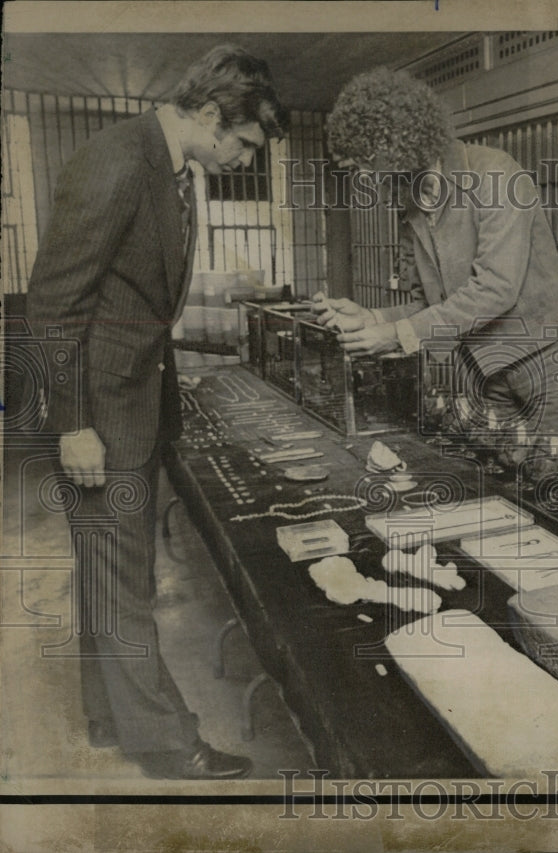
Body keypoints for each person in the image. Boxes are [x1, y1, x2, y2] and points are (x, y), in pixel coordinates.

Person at [26, 45, 288, 779]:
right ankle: (169, 741)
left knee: (108, 579)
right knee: (126, 582)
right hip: (100, 416)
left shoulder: (173, 164)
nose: (242, 159)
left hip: (130, 402)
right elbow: (53, 304)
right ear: (209, 114)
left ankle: (111, 716)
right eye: (241, 143)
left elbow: (138, 297)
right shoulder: (117, 158)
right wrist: (73, 421)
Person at [314, 67, 558, 445]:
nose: (364, 179)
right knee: (495, 473)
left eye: (363, 165)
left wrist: (395, 336)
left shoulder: (496, 175)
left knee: (554, 478)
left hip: (543, 356)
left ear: (391, 143)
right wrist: (371, 317)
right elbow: (429, 301)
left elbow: (495, 289)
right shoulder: (409, 204)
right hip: (481, 363)